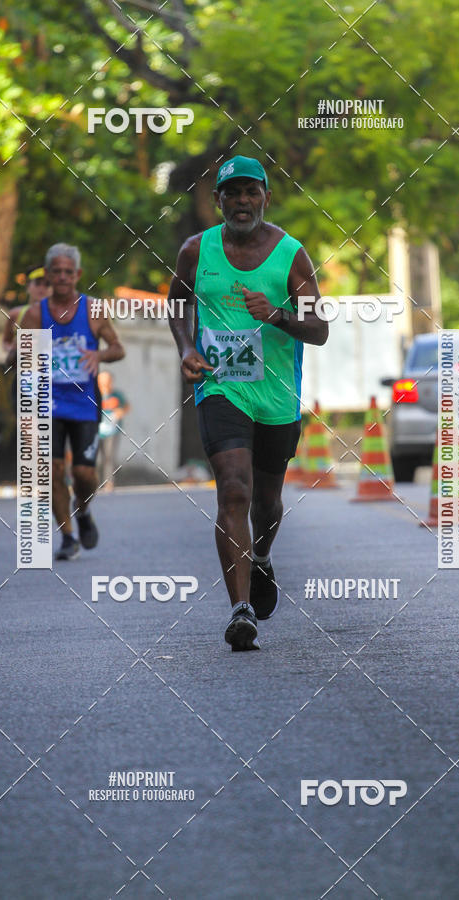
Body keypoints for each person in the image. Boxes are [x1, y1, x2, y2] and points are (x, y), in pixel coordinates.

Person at [168, 156, 328, 651]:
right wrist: (187, 348)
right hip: (221, 386)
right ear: (217, 201)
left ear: (265, 198)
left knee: (267, 501)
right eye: (232, 193)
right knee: (233, 489)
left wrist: (278, 314)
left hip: (276, 394)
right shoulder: (197, 250)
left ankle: (260, 555)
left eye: (250, 192)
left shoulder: (290, 255)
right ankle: (241, 609)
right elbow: (178, 302)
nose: (242, 202)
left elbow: (319, 329)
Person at [8, 243, 125, 560]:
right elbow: (22, 358)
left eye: (67, 272)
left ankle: (83, 511)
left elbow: (118, 349)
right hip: (49, 402)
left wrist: (98, 354)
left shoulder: (94, 310)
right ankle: (68, 536)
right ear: (47, 275)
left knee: (85, 473)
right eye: (56, 272)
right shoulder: (34, 314)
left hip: (85, 402)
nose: (62, 277)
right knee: (53, 469)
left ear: (78, 275)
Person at [2, 265, 51, 353]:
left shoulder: (60, 316)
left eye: (47, 284)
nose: (42, 288)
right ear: (28, 286)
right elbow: (6, 342)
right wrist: (14, 350)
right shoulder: (15, 314)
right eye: (38, 283)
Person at [97, 370, 130, 492]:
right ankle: (92, 482)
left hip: (112, 431)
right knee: (93, 457)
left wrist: (121, 411)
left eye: (107, 381)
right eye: (102, 381)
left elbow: (126, 406)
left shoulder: (117, 395)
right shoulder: (94, 395)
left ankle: (108, 482)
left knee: (109, 457)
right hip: (96, 430)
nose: (105, 384)